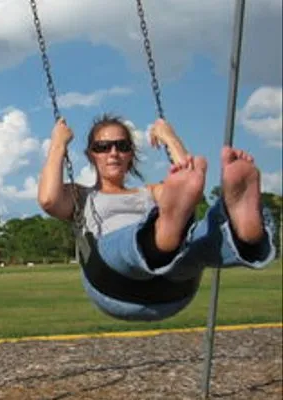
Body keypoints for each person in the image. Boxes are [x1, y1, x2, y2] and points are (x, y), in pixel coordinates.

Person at [37, 114, 276, 321]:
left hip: (171, 287)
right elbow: (49, 200)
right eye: (103, 147)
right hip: (113, 282)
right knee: (126, 243)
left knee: (196, 239)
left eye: (122, 146)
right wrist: (58, 143)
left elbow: (190, 182)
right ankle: (163, 238)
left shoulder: (152, 192)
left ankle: (242, 234)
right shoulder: (81, 195)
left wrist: (169, 136)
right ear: (91, 154)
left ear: (131, 153)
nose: (113, 153)